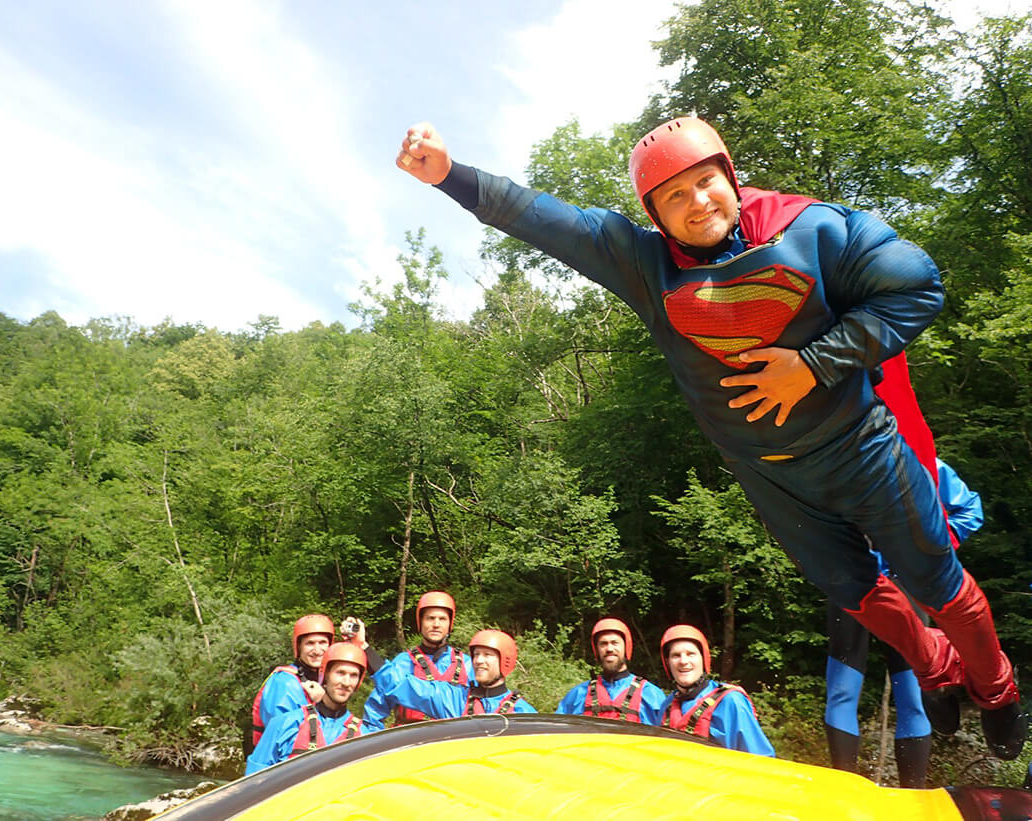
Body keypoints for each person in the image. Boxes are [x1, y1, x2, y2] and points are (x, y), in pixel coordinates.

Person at [394, 118, 1026, 760]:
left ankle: (998, 689)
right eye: (675, 196)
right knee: (853, 589)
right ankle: (940, 669)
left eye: (706, 182)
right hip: (770, 474)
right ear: (654, 213)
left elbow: (916, 285)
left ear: (729, 174)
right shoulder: (644, 265)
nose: (698, 203)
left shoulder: (815, 229)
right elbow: (543, 218)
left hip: (859, 448)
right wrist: (449, 174)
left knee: (936, 578)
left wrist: (812, 363)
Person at [826, 459, 984, 787]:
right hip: (851, 583)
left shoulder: (924, 462)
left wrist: (927, 552)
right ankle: (842, 793)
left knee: (912, 696)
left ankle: (914, 796)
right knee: (842, 691)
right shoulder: (834, 457)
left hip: (907, 587)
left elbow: (971, 509)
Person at [246, 638, 374, 774]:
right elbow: (255, 780)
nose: (346, 682)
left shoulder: (363, 736)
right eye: (340, 673)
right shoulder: (285, 724)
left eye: (353, 676)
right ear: (325, 676)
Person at [361, 591, 475, 731]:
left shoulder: (467, 664)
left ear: (450, 623)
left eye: (442, 619)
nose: (436, 624)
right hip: (411, 740)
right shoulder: (403, 662)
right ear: (420, 621)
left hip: (455, 739)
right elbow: (374, 713)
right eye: (430, 618)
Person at [657, 624, 774, 755]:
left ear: (703, 658)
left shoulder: (731, 701)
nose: (683, 661)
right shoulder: (667, 705)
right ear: (667, 662)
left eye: (691, 654)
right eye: (676, 655)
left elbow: (761, 760)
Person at [372, 628, 536, 717]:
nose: (478, 660)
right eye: (476, 654)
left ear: (505, 662)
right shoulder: (453, 698)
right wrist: (365, 649)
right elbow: (400, 685)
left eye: (487, 655)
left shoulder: (522, 713)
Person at [555, 618, 666, 724]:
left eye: (615, 643)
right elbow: (557, 730)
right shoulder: (579, 694)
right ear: (597, 651)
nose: (609, 649)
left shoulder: (651, 694)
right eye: (603, 644)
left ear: (626, 647)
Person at [251, 614, 334, 747]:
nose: (317, 650)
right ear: (299, 647)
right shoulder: (284, 683)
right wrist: (320, 705)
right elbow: (285, 742)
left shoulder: (322, 679)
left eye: (323, 642)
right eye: (310, 643)